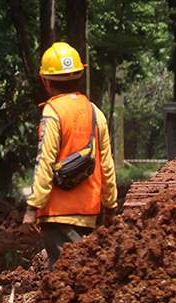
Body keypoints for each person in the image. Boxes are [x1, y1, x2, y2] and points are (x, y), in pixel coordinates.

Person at [21, 41, 118, 269]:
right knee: (80, 275)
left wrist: (32, 208)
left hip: (57, 214)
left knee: (69, 277)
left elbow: (45, 162)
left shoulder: (52, 111)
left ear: (46, 81)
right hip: (88, 212)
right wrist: (111, 207)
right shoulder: (96, 112)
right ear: (79, 76)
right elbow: (107, 165)